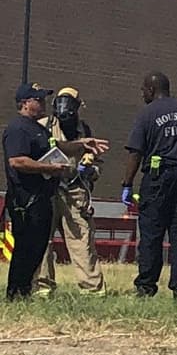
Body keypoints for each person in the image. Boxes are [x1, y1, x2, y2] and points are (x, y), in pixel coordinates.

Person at [3, 82, 109, 300]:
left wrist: (82, 144)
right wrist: (53, 168)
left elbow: (57, 146)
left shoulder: (40, 129)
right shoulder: (19, 129)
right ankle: (29, 290)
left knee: (64, 241)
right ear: (25, 104)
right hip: (29, 198)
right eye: (38, 99)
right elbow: (17, 161)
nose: (45, 103)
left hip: (61, 192)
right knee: (32, 247)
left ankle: (90, 289)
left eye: (44, 99)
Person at [122, 71, 177, 298]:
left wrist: (127, 183)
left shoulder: (147, 114)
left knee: (152, 234)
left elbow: (136, 152)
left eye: (143, 90)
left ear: (151, 90)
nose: (142, 94)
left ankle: (146, 286)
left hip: (158, 178)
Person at [33, 86, 106, 296]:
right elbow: (44, 148)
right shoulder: (43, 126)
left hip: (75, 191)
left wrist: (90, 170)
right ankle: (43, 288)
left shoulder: (85, 130)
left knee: (82, 240)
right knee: (43, 242)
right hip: (48, 189)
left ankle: (92, 290)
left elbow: (96, 160)